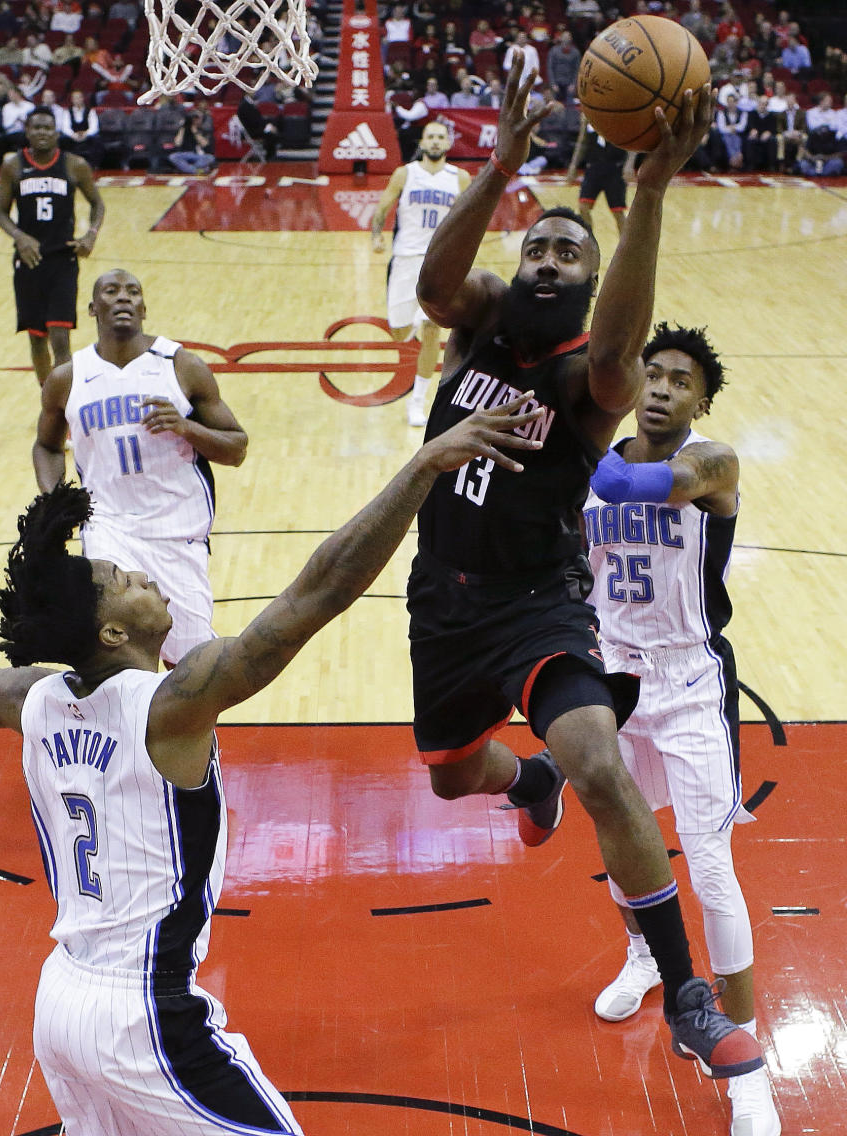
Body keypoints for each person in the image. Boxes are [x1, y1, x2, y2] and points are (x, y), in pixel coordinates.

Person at [0, 396, 543, 1136]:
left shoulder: (34, 698)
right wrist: (424, 465)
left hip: (61, 1001)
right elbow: (318, 592)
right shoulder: (171, 704)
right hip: (144, 1013)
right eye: (123, 579)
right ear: (112, 631)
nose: (143, 575)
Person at [408, 49, 764, 1084]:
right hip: (441, 599)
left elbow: (619, 356)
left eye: (574, 251)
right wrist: (499, 165)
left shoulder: (587, 377)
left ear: (595, 284)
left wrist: (647, 190)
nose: (554, 256)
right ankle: (526, 782)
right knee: (450, 776)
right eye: (541, 244)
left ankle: (689, 995)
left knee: (601, 761)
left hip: (541, 604)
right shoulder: (478, 320)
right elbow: (436, 282)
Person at [578, 322, 781, 1136]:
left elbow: (640, 488)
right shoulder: (593, 467)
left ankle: (748, 1056)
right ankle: (642, 954)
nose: (661, 388)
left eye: (677, 380)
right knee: (622, 841)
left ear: (701, 399)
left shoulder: (712, 463)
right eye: (650, 374)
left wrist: (565, 438)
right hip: (613, 675)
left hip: (691, 680)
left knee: (708, 865)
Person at [32, 268, 246, 664]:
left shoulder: (181, 366)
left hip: (176, 529)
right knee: (117, 652)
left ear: (144, 307)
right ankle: (125, 725)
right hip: (108, 526)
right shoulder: (68, 377)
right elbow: (46, 446)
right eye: (111, 291)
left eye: (133, 292)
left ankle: (195, 727)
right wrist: (55, 500)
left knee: (191, 663)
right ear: (94, 308)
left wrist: (186, 427)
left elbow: (237, 448)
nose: (123, 298)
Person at [370, 120, 471, 427]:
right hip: (405, 258)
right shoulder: (405, 173)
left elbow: (470, 217)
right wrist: (376, 236)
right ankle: (413, 320)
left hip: (439, 262)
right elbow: (381, 209)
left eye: (442, 136)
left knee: (431, 330)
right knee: (400, 332)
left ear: (448, 143)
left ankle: (417, 403)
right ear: (423, 142)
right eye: (431, 136)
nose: (437, 141)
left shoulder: (461, 177)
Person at [0, 106, 105, 388]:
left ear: (57, 133)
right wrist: (19, 236)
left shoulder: (74, 164)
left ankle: (66, 405)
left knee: (60, 337)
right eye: (37, 128)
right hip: (28, 261)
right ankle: (48, 400)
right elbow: (2, 214)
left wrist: (90, 234)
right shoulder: (13, 166)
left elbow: (98, 203)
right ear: (27, 132)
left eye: (48, 128)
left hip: (63, 259)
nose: (42, 133)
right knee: (37, 337)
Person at [565, 115, 637, 236]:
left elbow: (634, 142)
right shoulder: (588, 116)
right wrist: (573, 165)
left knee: (618, 213)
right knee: (583, 207)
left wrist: (629, 164)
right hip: (593, 168)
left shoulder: (621, 116)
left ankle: (626, 247)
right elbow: (582, 142)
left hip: (615, 169)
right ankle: (590, 240)